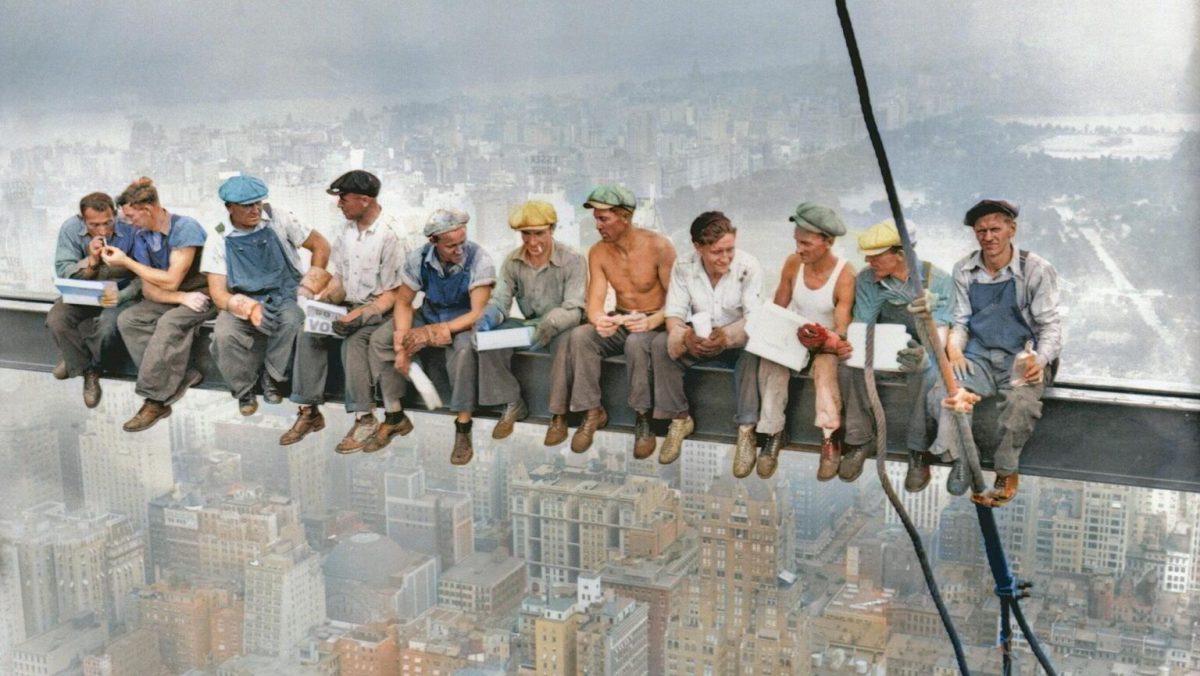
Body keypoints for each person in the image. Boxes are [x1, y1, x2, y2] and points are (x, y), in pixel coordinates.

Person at [929, 199, 1062, 506]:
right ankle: (963, 457)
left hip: (1021, 357)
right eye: (981, 231)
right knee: (944, 392)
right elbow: (960, 320)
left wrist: (1040, 361)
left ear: (1011, 230)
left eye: (994, 229)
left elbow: (1050, 326)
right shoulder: (964, 269)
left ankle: (1005, 470)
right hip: (979, 356)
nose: (988, 237)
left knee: (1020, 404)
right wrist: (954, 350)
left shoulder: (1035, 269)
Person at [201, 174, 331, 443]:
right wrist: (246, 308)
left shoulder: (280, 218)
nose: (255, 210)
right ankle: (244, 389)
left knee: (293, 321)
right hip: (243, 298)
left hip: (284, 293)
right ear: (229, 208)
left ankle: (273, 378)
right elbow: (217, 292)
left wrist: (308, 286)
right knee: (224, 334)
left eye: (257, 203)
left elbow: (321, 246)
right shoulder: (218, 237)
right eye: (247, 206)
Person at [551, 184, 675, 458]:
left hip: (656, 320)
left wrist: (653, 320)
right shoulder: (599, 252)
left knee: (637, 343)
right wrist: (599, 320)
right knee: (580, 336)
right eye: (596, 218)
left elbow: (678, 302)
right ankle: (592, 411)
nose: (597, 225)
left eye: (603, 218)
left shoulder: (659, 247)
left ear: (625, 217)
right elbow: (595, 300)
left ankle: (643, 418)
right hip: (621, 316)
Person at [367, 208, 496, 464]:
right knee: (381, 340)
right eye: (450, 246)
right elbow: (404, 303)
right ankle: (394, 415)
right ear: (434, 242)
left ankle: (463, 425)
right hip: (430, 312)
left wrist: (434, 333)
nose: (458, 250)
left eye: (462, 242)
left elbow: (478, 312)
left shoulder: (480, 260)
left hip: (463, 319)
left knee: (464, 351)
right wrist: (402, 343)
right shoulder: (419, 259)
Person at [301, 170, 414, 454]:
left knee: (355, 343)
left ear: (364, 200)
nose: (340, 204)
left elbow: (396, 293)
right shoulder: (347, 232)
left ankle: (365, 417)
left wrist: (361, 315)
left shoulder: (391, 236)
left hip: (385, 308)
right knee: (308, 332)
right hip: (353, 304)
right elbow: (340, 278)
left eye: (344, 198)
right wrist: (324, 301)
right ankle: (306, 407)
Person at [838, 220, 955, 491]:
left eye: (876, 255)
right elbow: (862, 325)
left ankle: (917, 451)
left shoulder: (938, 280)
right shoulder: (868, 279)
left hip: (922, 350)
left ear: (900, 254)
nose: (868, 260)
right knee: (847, 365)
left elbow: (941, 337)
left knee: (925, 374)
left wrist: (924, 355)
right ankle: (859, 439)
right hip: (881, 347)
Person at [651, 211, 762, 473]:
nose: (725, 259)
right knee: (660, 346)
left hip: (736, 337)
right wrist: (686, 337)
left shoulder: (748, 266)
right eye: (717, 252)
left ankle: (746, 429)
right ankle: (679, 418)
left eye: (729, 250)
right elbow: (674, 313)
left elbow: (753, 317)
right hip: (700, 337)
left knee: (753, 353)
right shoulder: (684, 266)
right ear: (698, 248)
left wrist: (726, 337)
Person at [105, 177, 216, 431]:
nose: (129, 222)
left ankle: (155, 399)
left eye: (132, 216)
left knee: (170, 323)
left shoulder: (185, 229)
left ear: (147, 209)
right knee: (130, 319)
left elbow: (171, 278)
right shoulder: (143, 235)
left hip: (204, 292)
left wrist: (127, 262)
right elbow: (149, 287)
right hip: (179, 295)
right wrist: (180, 298)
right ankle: (182, 375)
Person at [756, 203, 855, 479]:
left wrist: (824, 340)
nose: (799, 249)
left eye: (806, 244)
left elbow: (842, 327)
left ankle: (830, 436)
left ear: (828, 242)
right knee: (772, 362)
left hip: (825, 342)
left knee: (825, 371)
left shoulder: (845, 275)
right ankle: (773, 431)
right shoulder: (792, 263)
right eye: (797, 242)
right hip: (794, 335)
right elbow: (779, 307)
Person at [474, 200, 586, 440]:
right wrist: (487, 319)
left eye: (539, 234)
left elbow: (575, 307)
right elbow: (501, 300)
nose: (532, 242)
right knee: (489, 342)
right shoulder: (513, 261)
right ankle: (512, 401)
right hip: (530, 326)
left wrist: (552, 323)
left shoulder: (573, 259)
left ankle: (558, 415)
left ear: (552, 230)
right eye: (526, 234)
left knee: (565, 343)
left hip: (561, 324)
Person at [46, 191, 139, 407]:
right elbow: (63, 270)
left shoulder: (131, 227)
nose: (103, 230)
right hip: (84, 290)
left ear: (115, 215)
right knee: (57, 319)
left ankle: (78, 361)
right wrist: (92, 262)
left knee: (108, 327)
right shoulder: (70, 229)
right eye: (94, 225)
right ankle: (86, 369)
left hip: (121, 293)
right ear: (82, 220)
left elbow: (144, 273)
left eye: (108, 223)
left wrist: (121, 295)